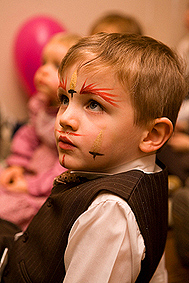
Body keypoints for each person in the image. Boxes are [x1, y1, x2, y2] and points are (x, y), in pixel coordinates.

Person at [0, 33, 187, 282]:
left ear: (152, 134)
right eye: (65, 99)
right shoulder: (138, 175)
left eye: (94, 105)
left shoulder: (110, 215)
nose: (65, 118)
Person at [0, 32, 81, 230]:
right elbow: (28, 136)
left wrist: (31, 186)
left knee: (12, 211)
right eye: (44, 62)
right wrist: (16, 165)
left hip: (49, 184)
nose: (43, 70)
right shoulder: (39, 104)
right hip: (31, 168)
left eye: (55, 66)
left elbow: (66, 168)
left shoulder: (71, 118)